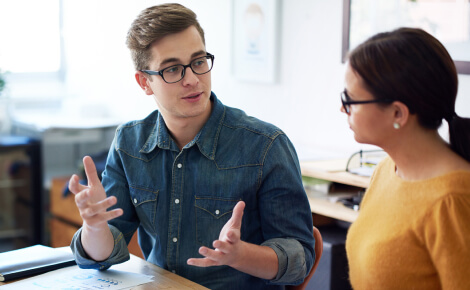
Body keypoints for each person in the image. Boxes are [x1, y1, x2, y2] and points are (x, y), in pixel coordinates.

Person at [68, 3, 315, 289]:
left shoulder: (266, 146)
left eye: (198, 61)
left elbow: (300, 261)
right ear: (144, 82)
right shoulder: (129, 143)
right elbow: (101, 258)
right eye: (172, 69)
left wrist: (240, 255)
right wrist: (95, 227)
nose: (193, 80)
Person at [342, 27, 470, 289]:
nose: (342, 108)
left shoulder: (453, 200)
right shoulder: (386, 170)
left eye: (350, 100)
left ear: (398, 114)